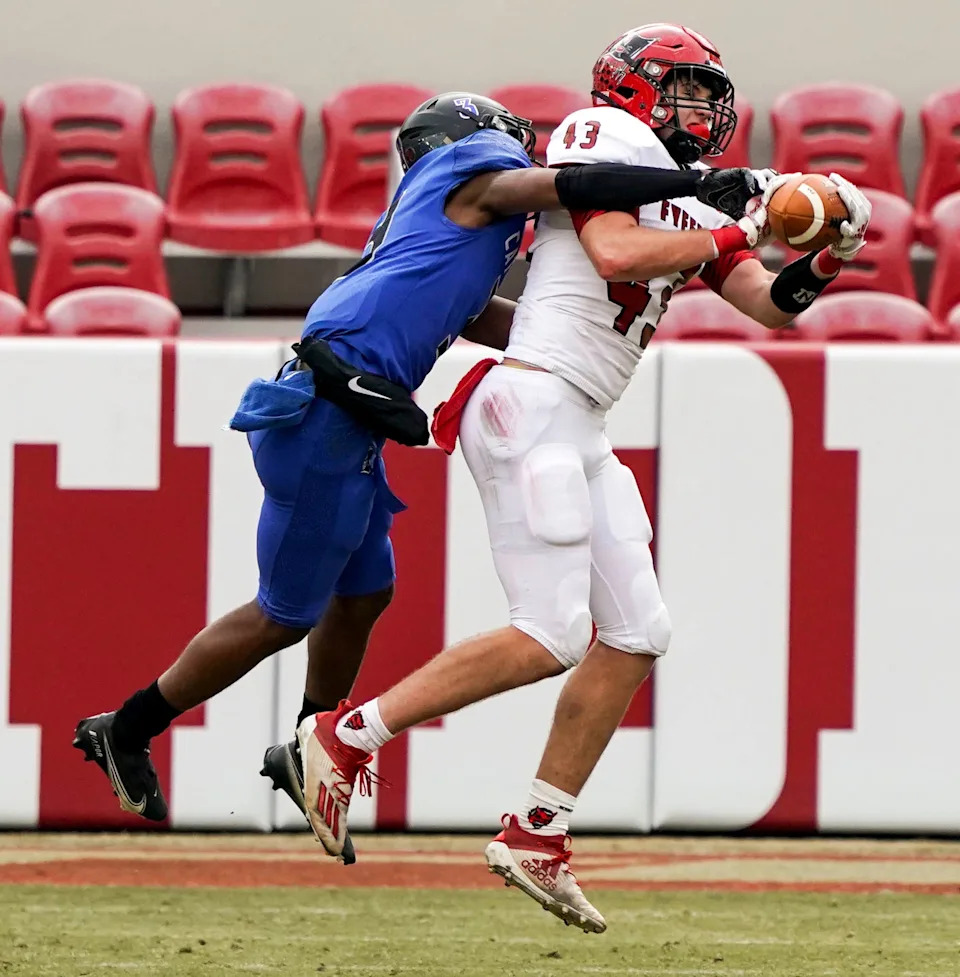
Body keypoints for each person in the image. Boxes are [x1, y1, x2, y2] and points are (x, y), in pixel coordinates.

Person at [72, 89, 768, 863]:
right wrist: (694, 189)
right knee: (284, 612)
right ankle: (128, 727)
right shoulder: (476, 168)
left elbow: (502, 321)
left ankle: (310, 742)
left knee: (367, 592)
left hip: (353, 408)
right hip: (328, 398)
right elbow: (571, 186)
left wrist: (596, 329)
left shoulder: (460, 241)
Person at [295, 24, 872, 930]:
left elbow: (771, 307)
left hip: (580, 420)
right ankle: (342, 733)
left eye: (704, 91)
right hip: (533, 401)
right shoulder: (606, 136)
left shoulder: (685, 193)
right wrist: (751, 214)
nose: (701, 108)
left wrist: (828, 252)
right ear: (634, 88)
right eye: (682, 87)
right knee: (551, 631)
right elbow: (616, 254)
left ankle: (537, 829)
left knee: (639, 631)